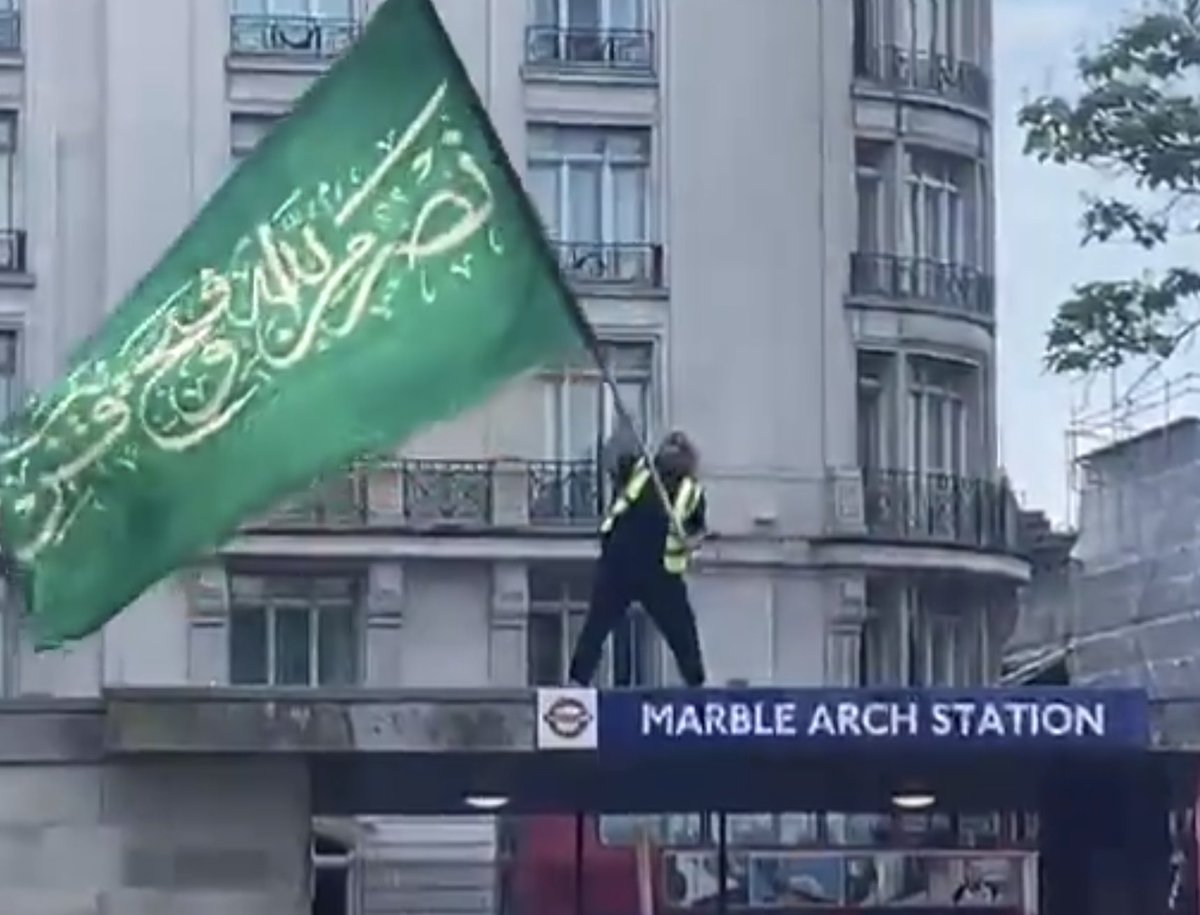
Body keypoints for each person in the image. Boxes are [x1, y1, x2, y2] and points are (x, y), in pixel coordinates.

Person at [569, 430, 708, 687]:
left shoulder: (691, 491)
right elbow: (614, 460)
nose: (671, 454)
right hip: (621, 560)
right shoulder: (641, 470)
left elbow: (698, 530)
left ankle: (696, 684)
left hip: (659, 570)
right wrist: (625, 437)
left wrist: (690, 540)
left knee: (682, 630)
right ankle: (578, 680)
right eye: (668, 448)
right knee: (597, 624)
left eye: (677, 450)